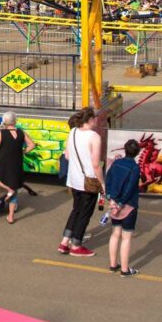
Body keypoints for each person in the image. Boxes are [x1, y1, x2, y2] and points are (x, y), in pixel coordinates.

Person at [57, 107, 104, 257]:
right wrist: (102, 183)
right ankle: (76, 245)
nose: (96, 120)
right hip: (88, 180)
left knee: (76, 209)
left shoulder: (73, 131)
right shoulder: (94, 137)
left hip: (74, 179)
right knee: (85, 213)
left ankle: (65, 241)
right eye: (95, 118)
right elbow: (96, 164)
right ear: (90, 119)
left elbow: (67, 156)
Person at [0, 111, 36, 224]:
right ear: (15, 121)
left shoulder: (1, 133)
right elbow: (32, 145)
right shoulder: (21, 132)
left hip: (3, 163)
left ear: (4, 121)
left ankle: (8, 189)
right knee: (13, 184)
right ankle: (11, 216)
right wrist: (23, 152)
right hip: (16, 164)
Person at [105, 139, 141, 277]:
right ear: (137, 153)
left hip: (114, 204)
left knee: (115, 234)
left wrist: (111, 198)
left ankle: (113, 264)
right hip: (128, 206)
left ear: (125, 150)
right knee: (126, 238)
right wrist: (121, 203)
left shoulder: (116, 163)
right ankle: (125, 269)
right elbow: (130, 188)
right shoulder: (135, 168)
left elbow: (108, 180)